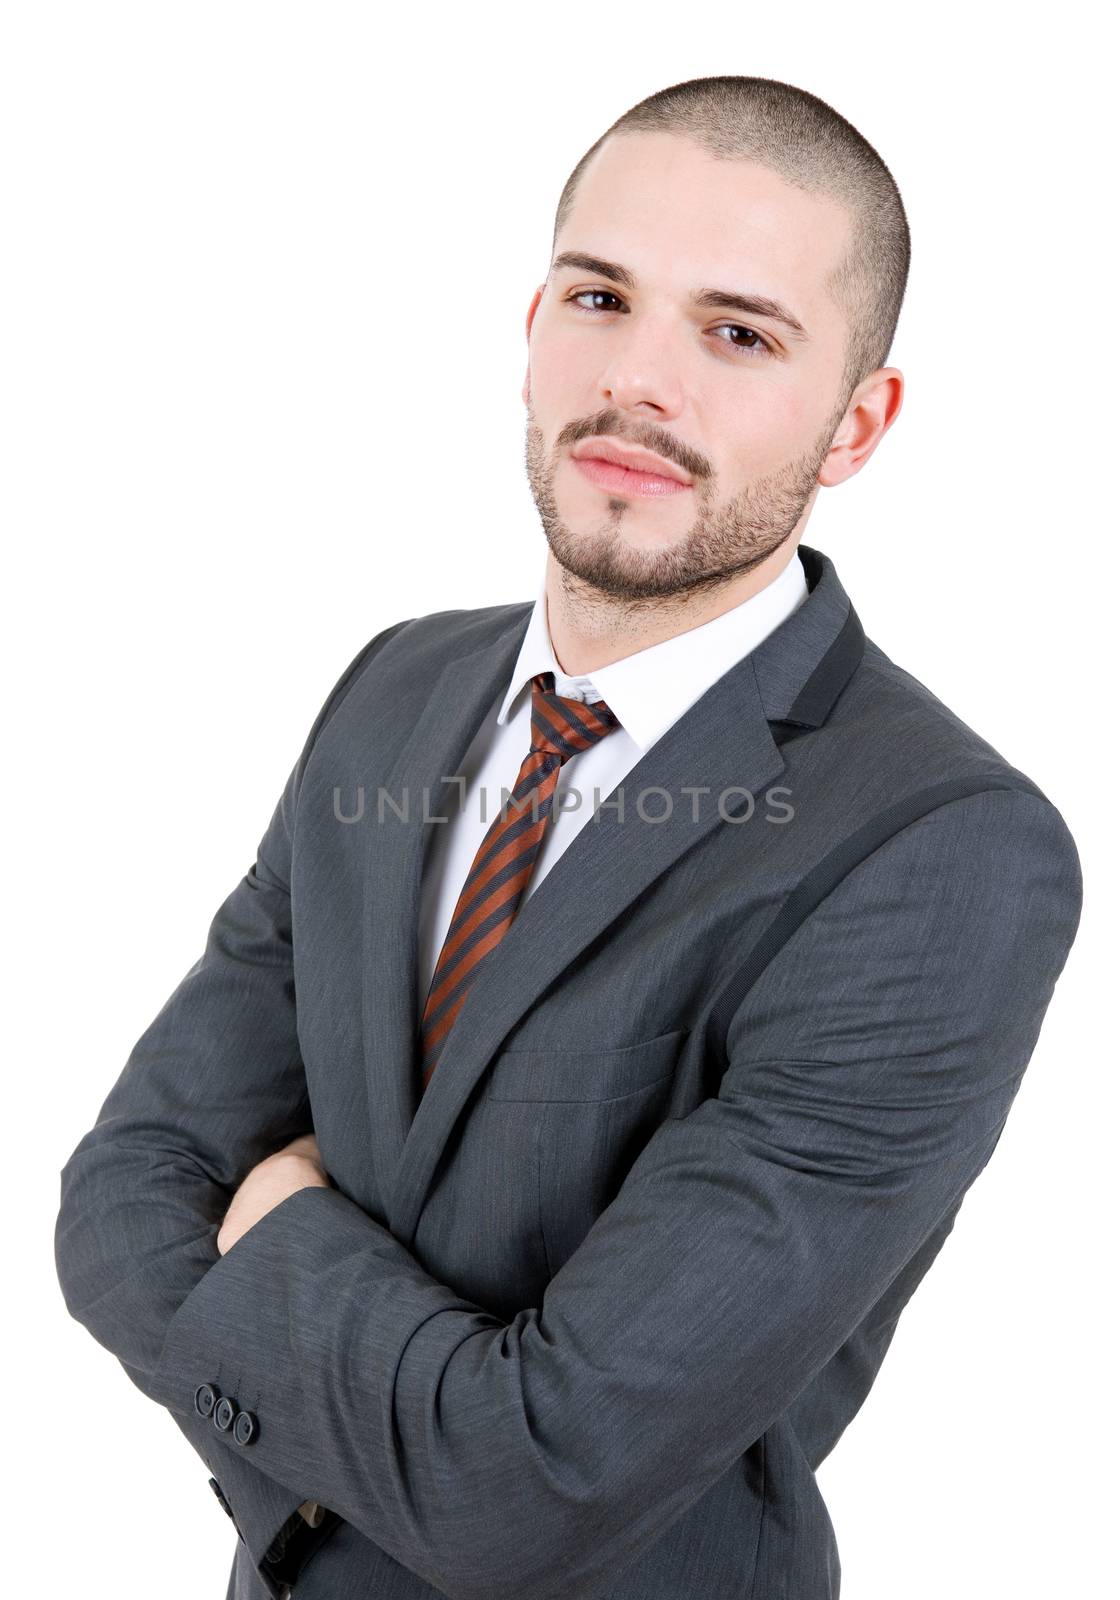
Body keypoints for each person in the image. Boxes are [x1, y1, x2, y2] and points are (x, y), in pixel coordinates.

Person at [55, 74, 1083, 1600]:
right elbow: (121, 1196)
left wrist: (272, 1232)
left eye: (739, 333)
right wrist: (394, 1432)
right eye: (603, 298)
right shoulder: (394, 690)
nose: (641, 383)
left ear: (857, 423)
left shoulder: (945, 849)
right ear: (532, 327)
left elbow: (535, 1484)